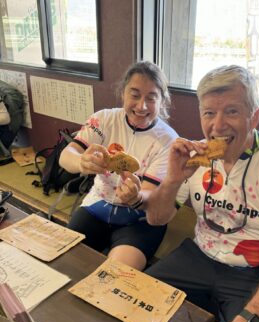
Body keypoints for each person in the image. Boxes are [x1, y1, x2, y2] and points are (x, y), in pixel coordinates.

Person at [143, 65, 259, 322]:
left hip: (251, 272)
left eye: (231, 111)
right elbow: (156, 218)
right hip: (197, 256)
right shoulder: (195, 156)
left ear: (254, 115)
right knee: (136, 303)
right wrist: (172, 179)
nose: (217, 126)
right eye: (209, 113)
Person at [59, 61, 178, 270]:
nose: (141, 106)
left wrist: (136, 197)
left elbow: (151, 196)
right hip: (97, 205)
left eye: (151, 98)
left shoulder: (168, 141)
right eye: (134, 95)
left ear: (162, 101)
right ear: (123, 93)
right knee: (66, 263)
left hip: (140, 220)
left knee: (115, 277)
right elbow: (66, 156)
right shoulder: (103, 119)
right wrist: (81, 161)